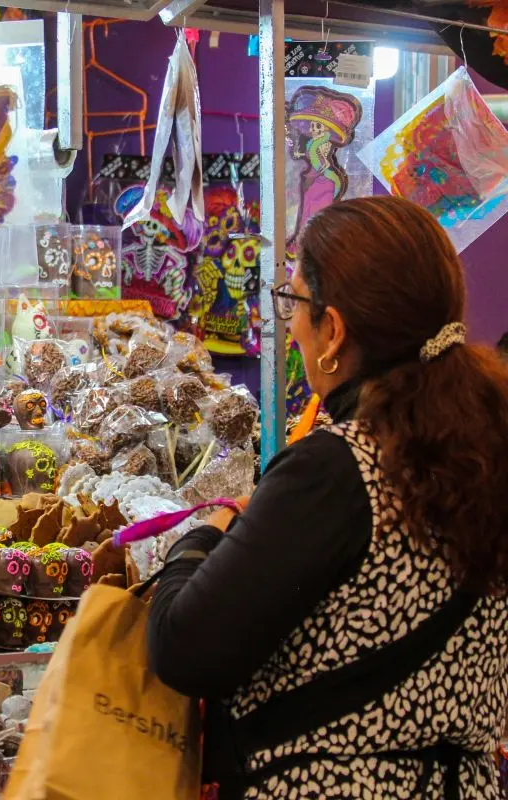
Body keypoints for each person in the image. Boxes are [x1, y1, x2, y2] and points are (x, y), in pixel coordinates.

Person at [147, 197, 508, 799]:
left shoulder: (337, 469)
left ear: (334, 328)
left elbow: (185, 649)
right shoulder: (488, 451)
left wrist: (201, 535)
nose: (289, 323)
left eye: (293, 301)